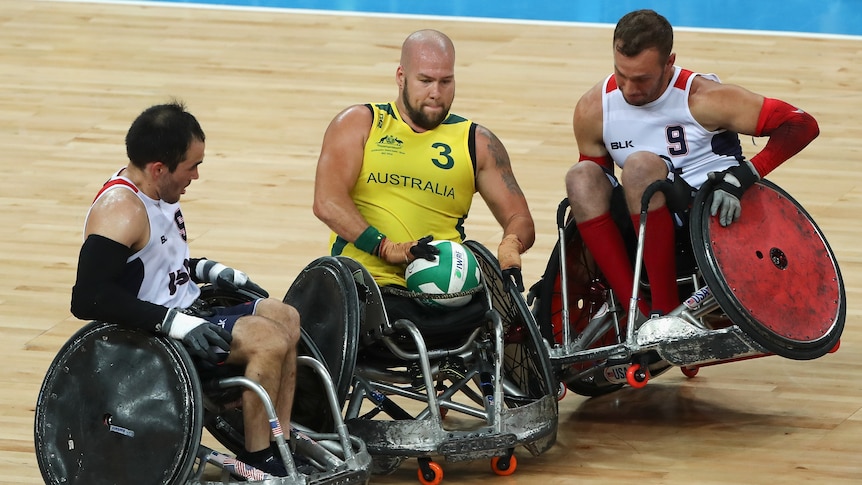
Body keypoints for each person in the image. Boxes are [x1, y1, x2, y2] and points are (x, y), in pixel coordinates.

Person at [70, 101, 301, 478]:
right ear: (159, 168)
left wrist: (208, 268)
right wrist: (174, 323)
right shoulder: (121, 212)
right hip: (154, 339)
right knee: (267, 340)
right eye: (192, 166)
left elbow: (156, 259)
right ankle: (260, 460)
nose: (195, 175)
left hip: (189, 311)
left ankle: (281, 441)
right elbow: (88, 297)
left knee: (285, 316)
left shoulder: (159, 192)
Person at [565, 9, 819, 317]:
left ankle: (665, 307)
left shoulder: (704, 97)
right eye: (622, 74)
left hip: (711, 215)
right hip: (644, 221)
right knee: (580, 177)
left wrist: (745, 175)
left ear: (669, 63)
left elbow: (801, 125)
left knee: (640, 166)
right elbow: (597, 188)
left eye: (642, 79)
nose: (630, 89)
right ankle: (637, 310)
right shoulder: (595, 107)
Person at [313, 29, 535, 306]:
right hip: (364, 284)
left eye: (446, 82)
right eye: (425, 80)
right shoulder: (360, 123)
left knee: (515, 328)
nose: (436, 93)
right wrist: (385, 248)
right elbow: (327, 201)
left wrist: (511, 244)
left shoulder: (477, 142)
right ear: (401, 77)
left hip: (447, 290)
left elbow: (519, 217)